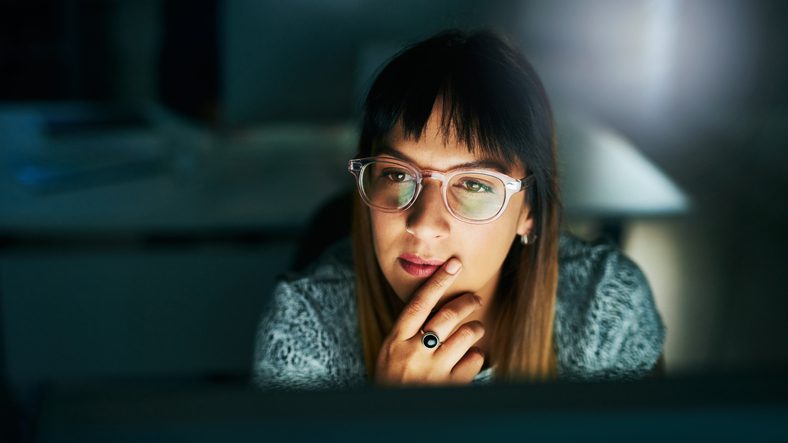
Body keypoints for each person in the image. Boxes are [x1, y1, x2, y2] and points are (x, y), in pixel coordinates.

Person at [252, 30, 666, 389]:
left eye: (472, 184)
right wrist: (394, 419)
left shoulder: (604, 307)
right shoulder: (306, 325)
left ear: (530, 211)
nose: (424, 225)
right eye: (397, 175)